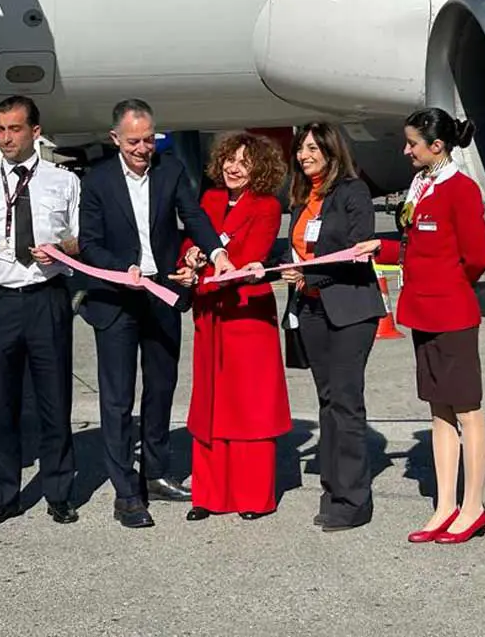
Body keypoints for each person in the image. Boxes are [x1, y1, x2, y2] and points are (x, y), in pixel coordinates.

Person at [77, 99, 234, 528]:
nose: (144, 148)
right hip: (117, 297)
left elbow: (194, 215)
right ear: (115, 139)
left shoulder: (171, 170)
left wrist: (217, 251)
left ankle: (157, 471)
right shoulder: (98, 181)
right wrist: (117, 269)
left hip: (162, 293)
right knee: (117, 397)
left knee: (161, 388)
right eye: (134, 141)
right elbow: (88, 243)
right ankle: (126, 492)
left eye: (149, 139)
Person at [355, 108, 485, 545]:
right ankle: (445, 504)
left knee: (467, 410)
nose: (405, 149)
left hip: (451, 312)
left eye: (412, 143)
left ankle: (473, 506)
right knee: (439, 409)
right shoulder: (422, 184)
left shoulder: (460, 189)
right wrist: (383, 244)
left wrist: (447, 286)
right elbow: (419, 242)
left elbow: (477, 256)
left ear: (437, 146)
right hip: (423, 310)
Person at [0, 96, 82, 528]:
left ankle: (59, 493)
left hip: (46, 297)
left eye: (14, 129)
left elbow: (80, 243)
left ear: (35, 131)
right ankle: (4, 495)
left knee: (54, 402)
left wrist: (61, 250)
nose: (6, 138)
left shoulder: (63, 182)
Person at [180, 132, 292, 521]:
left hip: (246, 315)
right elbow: (191, 242)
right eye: (229, 159)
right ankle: (209, 495)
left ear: (259, 167)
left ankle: (252, 496)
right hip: (210, 313)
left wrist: (207, 266)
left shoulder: (266, 206)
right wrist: (191, 258)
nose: (233, 167)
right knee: (210, 404)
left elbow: (250, 256)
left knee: (249, 406)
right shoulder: (209, 200)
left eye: (243, 161)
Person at [281, 123, 386, 532]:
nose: (304, 155)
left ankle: (354, 499)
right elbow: (294, 247)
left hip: (348, 309)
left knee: (346, 402)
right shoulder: (302, 196)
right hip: (310, 310)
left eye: (311, 148)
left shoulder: (352, 192)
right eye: (300, 149)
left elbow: (358, 248)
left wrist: (309, 277)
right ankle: (333, 488)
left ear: (331, 149)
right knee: (327, 401)